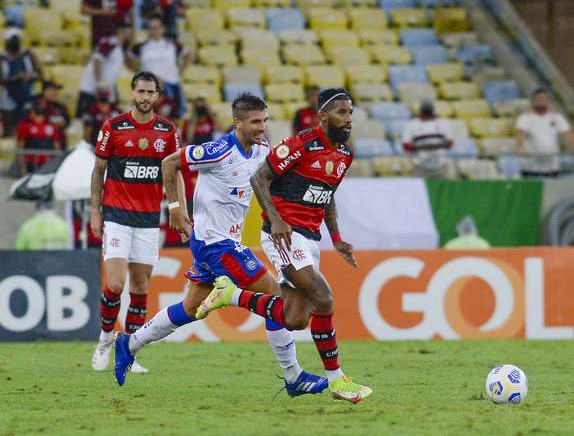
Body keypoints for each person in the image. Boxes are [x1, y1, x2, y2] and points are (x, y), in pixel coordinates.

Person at [113, 94, 329, 398]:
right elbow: (170, 162)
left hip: (228, 240)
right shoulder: (219, 150)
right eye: (255, 121)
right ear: (237, 122)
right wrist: (176, 207)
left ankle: (130, 343)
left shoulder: (263, 149)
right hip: (214, 242)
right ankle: (293, 376)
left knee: (191, 308)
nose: (262, 127)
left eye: (265, 120)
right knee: (276, 298)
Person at [196, 88, 373, 403]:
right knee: (324, 298)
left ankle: (231, 295)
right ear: (322, 117)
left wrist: (337, 237)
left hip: (311, 237)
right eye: (342, 113)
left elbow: (327, 193)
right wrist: (276, 220)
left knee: (294, 318)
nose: (348, 119)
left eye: (350, 113)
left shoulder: (345, 154)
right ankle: (338, 380)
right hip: (285, 235)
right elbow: (259, 179)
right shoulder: (299, 145)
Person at [89, 71, 183, 374]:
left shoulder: (167, 131)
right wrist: (94, 211)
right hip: (116, 215)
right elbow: (98, 170)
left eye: (150, 92)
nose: (145, 97)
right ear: (131, 93)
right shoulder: (113, 127)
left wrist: (177, 209)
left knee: (141, 287)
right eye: (140, 91)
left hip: (147, 219)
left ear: (157, 96)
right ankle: (104, 340)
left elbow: (175, 172)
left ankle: (126, 352)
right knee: (115, 284)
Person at [128, 14, 191, 118]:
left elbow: (187, 54)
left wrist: (180, 70)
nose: (155, 30)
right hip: (148, 88)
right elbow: (128, 58)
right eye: (152, 28)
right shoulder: (141, 47)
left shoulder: (172, 44)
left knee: (174, 116)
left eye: (157, 27)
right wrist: (138, 72)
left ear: (163, 29)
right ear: (148, 30)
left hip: (171, 84)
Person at [515, 87, 574, 178]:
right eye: (538, 99)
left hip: (551, 166)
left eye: (543, 99)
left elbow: (568, 134)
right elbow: (520, 133)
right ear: (533, 101)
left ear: (547, 101)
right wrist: (521, 147)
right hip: (530, 166)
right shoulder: (525, 118)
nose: (541, 101)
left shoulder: (557, 117)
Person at [76, 20, 133, 118]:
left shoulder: (120, 47)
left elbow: (113, 73)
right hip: (91, 89)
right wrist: (99, 82)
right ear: (121, 31)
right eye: (128, 31)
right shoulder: (110, 42)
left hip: (105, 91)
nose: (131, 34)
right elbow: (97, 60)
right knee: (85, 119)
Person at [401, 100, 454, 179]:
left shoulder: (443, 123)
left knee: (444, 190)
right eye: (425, 109)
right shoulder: (412, 125)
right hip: (420, 166)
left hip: (441, 165)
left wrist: (431, 146)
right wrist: (426, 147)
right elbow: (406, 146)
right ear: (421, 111)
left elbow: (450, 144)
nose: (427, 111)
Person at [1, 28, 43, 124]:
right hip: (8, 98)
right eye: (12, 40)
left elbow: (40, 75)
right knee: (11, 125)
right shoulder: (2, 58)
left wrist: (30, 76)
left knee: (28, 123)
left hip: (28, 94)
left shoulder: (28, 55)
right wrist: (16, 78)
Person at [16, 104, 63, 175]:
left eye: (31, 112)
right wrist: (21, 165)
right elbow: (21, 145)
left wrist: (57, 161)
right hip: (31, 161)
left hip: (48, 161)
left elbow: (56, 145)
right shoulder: (25, 125)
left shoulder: (51, 125)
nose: (29, 114)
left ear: (35, 113)